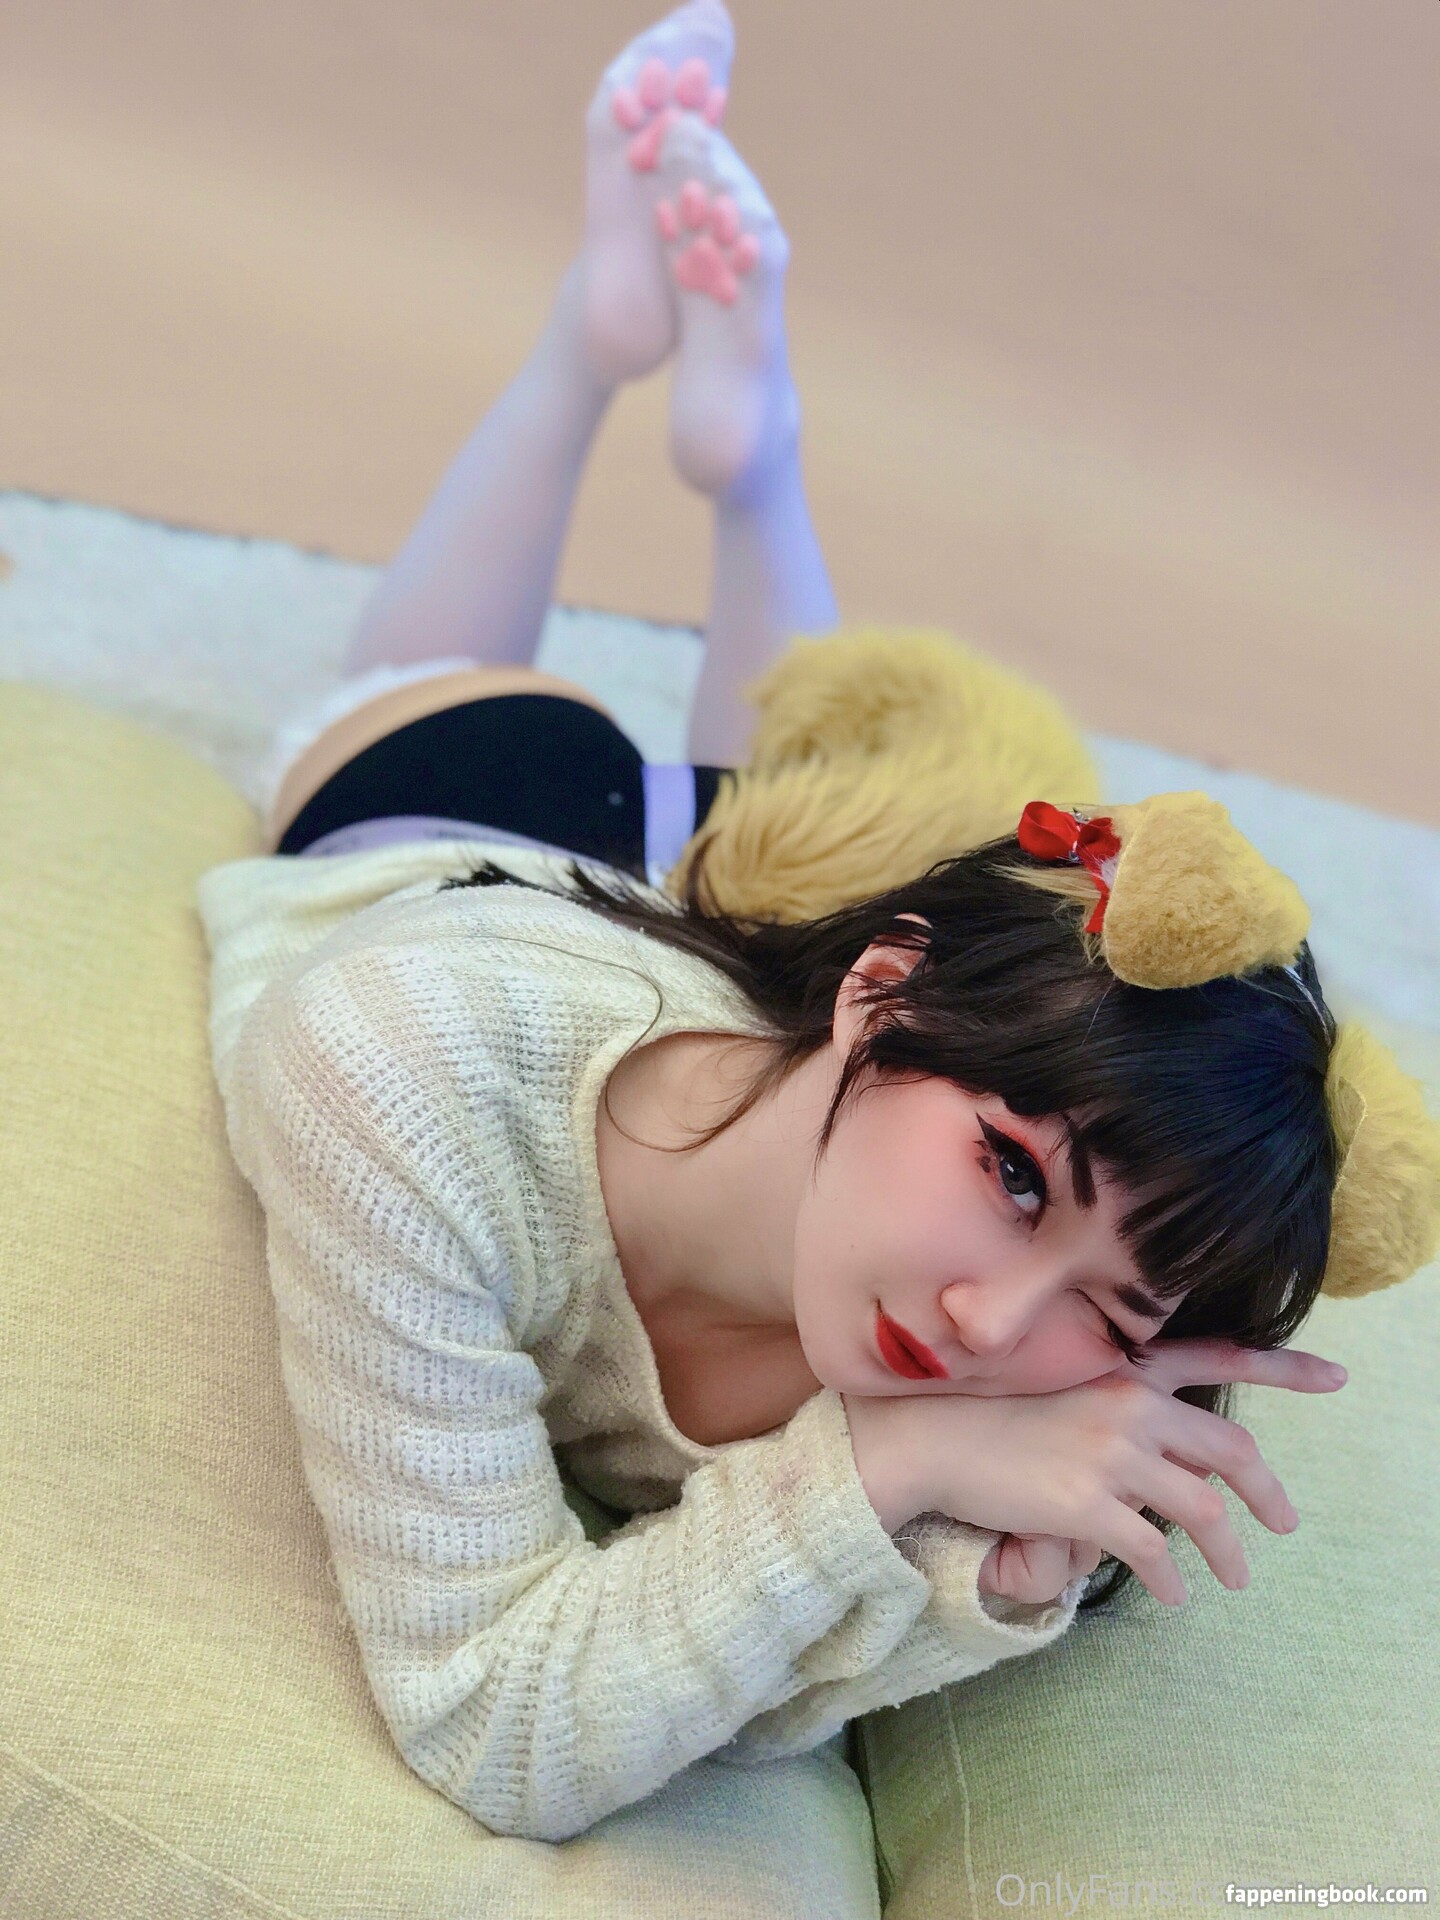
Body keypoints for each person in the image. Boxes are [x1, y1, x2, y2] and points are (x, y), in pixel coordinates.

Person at [198, 0, 1438, 1845]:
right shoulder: (397, 1067)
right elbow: (502, 1729)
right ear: (874, 994)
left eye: (1110, 1305)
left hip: (724, 987)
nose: (984, 1318)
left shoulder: (1037, 1387)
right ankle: (595, 349)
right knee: (414, 685)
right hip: (452, 840)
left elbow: (754, 1686)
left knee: (803, 807)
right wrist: (892, 1463)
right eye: (1012, 1174)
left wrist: (994, 1558)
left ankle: (751, 449)